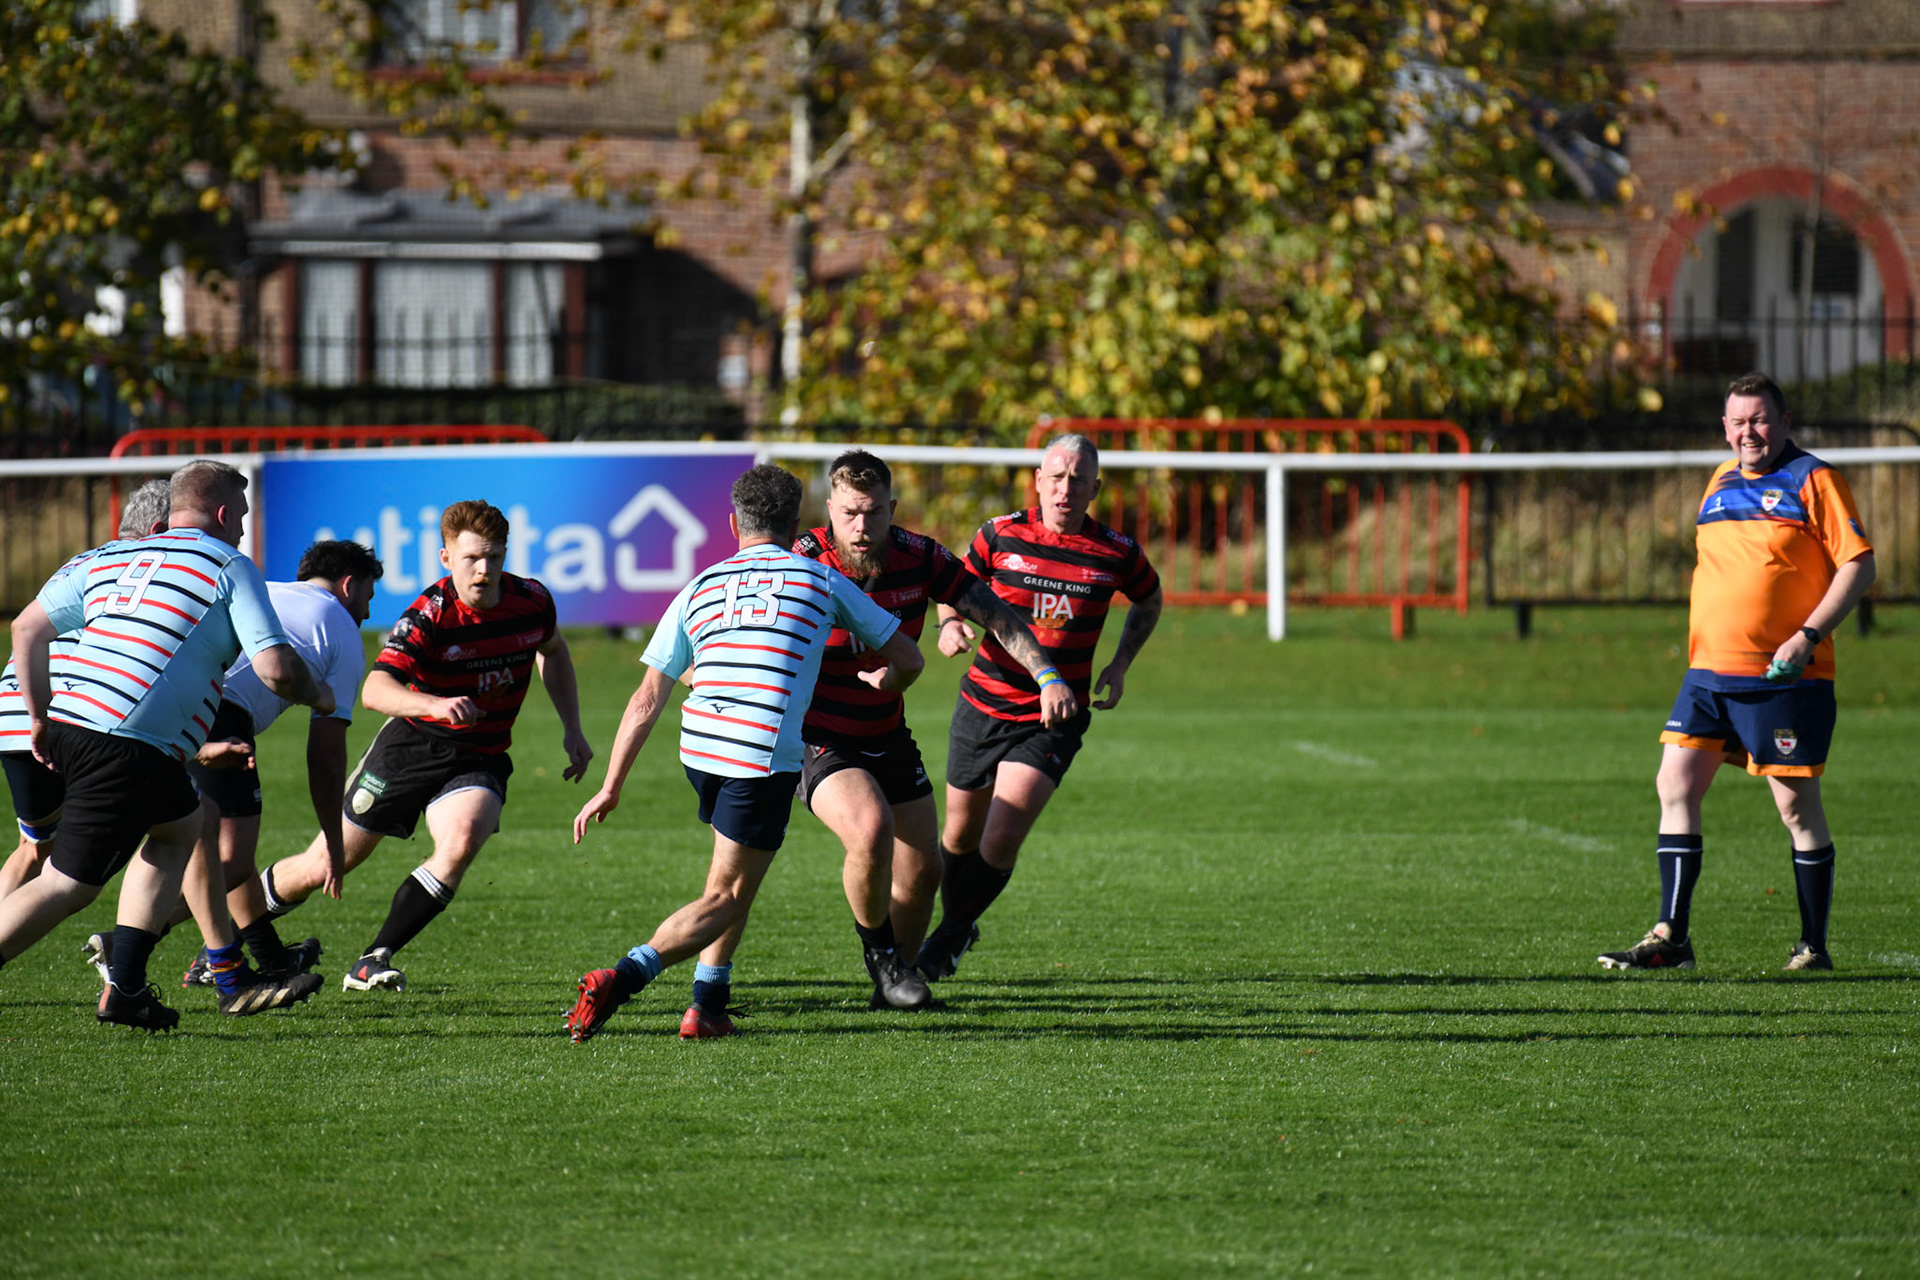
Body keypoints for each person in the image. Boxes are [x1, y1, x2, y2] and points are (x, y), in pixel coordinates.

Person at [674, 450, 1078, 1035]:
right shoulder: (797, 561)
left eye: (873, 513)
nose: (861, 528)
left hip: (886, 733)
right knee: (863, 831)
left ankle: (897, 982)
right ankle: (877, 957)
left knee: (923, 870)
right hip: (813, 737)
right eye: (848, 514)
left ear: (893, 509)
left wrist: (1047, 675)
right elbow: (698, 648)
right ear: (828, 512)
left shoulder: (921, 557)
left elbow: (997, 615)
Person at [564, 463, 925, 1044]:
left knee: (731, 872)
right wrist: (889, 682)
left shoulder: (699, 586)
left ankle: (708, 1004)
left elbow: (645, 698)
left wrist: (611, 785)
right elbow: (909, 658)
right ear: (800, 524)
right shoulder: (822, 581)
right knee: (726, 895)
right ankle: (622, 977)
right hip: (759, 756)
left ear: (734, 524)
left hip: (697, 749)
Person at [0, 461, 335, 1030]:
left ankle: (129, 985)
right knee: (65, 885)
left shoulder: (103, 557)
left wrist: (37, 715)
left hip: (72, 725)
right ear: (225, 514)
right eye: (242, 517)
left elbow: (26, 629)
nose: (243, 529)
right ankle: (136, 982)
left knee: (187, 821)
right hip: (124, 740)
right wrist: (320, 695)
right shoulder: (226, 563)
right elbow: (276, 669)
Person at [256, 499, 593, 994]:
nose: (483, 570)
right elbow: (374, 691)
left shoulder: (533, 601)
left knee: (460, 842)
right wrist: (434, 705)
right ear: (445, 558)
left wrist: (573, 728)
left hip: (480, 755)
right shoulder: (429, 614)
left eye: (494, 558)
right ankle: (218, 930)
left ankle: (373, 958)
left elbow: (553, 650)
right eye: (471, 559)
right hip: (411, 748)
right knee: (324, 864)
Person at [1600, 372, 1875, 973]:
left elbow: (1857, 566)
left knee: (1797, 809)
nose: (1749, 431)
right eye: (1738, 421)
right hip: (1707, 675)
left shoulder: (1814, 479)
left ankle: (1813, 946)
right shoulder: (1719, 480)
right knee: (1674, 785)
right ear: (1724, 428)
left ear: (1783, 422)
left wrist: (1807, 637)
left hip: (1781, 677)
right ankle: (1672, 935)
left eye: (1760, 419)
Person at [919, 433, 1163, 981]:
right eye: (1055, 476)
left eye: (1077, 479)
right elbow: (951, 584)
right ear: (1037, 480)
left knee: (1002, 834)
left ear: (1095, 488)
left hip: (1055, 717)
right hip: (983, 703)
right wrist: (950, 623)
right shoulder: (999, 534)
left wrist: (1121, 663)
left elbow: (1149, 595)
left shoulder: (1117, 552)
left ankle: (949, 936)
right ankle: (960, 924)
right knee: (958, 837)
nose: (1065, 488)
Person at [164, 539, 383, 989]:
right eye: (367, 597)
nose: (365, 611)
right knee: (230, 861)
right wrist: (334, 840)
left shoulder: (266, 593)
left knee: (226, 857)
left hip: (169, 698)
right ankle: (128, 941)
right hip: (221, 716)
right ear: (347, 586)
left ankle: (271, 961)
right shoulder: (339, 626)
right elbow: (324, 755)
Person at [0, 477, 173, 900]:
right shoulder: (163, 571)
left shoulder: (83, 560)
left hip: (13, 706)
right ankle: (154, 949)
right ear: (157, 530)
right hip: (80, 714)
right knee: (182, 824)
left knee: (36, 848)